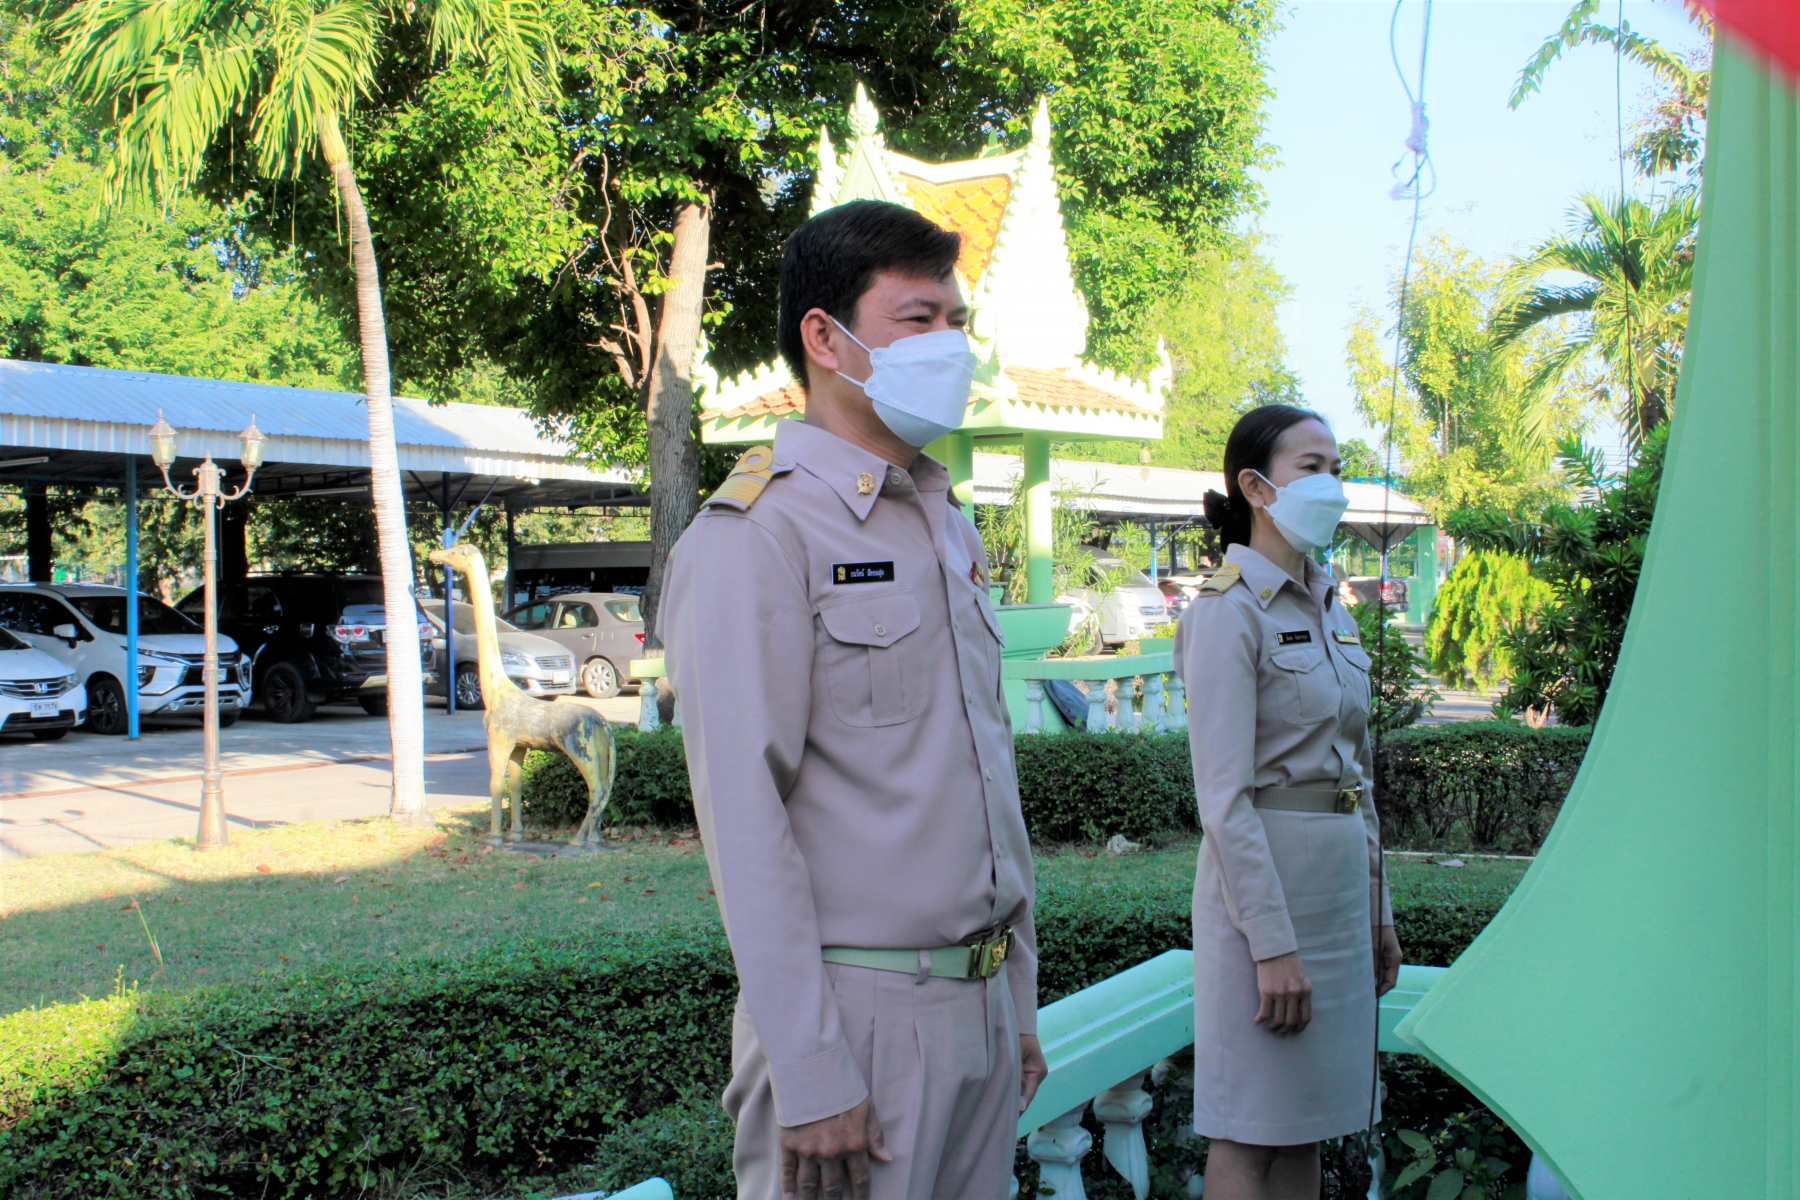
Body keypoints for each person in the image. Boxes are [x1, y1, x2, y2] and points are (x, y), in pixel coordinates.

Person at [660, 199, 1046, 1200]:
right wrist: (811, 1066)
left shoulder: (944, 525)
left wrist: (1016, 1000)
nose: (950, 345)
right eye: (918, 320)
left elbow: (984, 780)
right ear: (825, 339)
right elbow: (745, 820)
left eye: (957, 322)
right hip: (857, 1018)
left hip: (978, 1010)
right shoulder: (757, 536)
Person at [1174, 405, 1405, 1200]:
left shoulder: (1330, 606)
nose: (1332, 486)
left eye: (1337, 468)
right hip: (1261, 907)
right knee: (1250, 1133)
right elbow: (1223, 801)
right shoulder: (1227, 609)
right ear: (1255, 487)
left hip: (1338, 901)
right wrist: (1271, 946)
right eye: (1312, 468)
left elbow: (1356, 782)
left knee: (1307, 1126)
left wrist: (1379, 912)